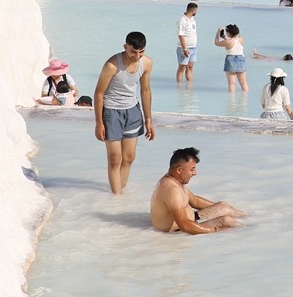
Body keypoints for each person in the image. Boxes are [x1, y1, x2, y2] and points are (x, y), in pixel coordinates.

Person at [93, 32, 155, 195]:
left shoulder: (146, 63)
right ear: (125, 47)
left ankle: (121, 193)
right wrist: (99, 122)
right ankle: (116, 197)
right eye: (133, 51)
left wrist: (148, 120)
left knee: (129, 157)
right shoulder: (112, 65)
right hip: (112, 112)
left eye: (141, 52)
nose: (137, 56)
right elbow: (99, 93)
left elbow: (146, 90)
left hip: (133, 111)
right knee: (115, 158)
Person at [149, 147, 243, 234]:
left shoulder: (175, 181)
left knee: (224, 206)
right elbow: (184, 225)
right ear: (179, 170)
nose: (195, 173)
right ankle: (249, 233)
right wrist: (215, 230)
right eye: (192, 169)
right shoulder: (171, 190)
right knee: (226, 221)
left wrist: (219, 207)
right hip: (180, 230)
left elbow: (195, 201)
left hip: (192, 220)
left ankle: (252, 220)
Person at [215, 24, 248, 92]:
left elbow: (216, 43)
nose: (226, 33)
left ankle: (232, 101)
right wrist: (226, 38)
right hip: (241, 59)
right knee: (243, 83)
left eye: (227, 31)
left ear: (229, 33)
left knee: (231, 84)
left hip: (231, 60)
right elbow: (234, 42)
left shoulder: (227, 41)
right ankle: (245, 100)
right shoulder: (241, 38)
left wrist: (218, 33)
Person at [176, 2, 199, 82]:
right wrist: (184, 49)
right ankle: (179, 87)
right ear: (193, 10)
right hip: (185, 48)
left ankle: (189, 86)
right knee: (182, 68)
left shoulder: (192, 19)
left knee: (190, 67)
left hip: (194, 47)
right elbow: (181, 35)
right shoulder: (182, 20)